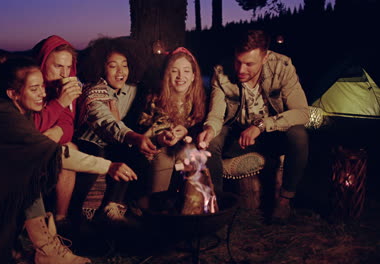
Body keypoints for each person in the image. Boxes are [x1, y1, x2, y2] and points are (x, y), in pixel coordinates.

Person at [0, 56, 137, 264]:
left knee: (24, 166)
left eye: (42, 87)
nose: (43, 94)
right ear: (13, 93)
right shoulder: (2, 115)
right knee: (26, 168)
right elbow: (53, 153)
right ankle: (44, 247)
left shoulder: (6, 106)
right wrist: (108, 166)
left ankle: (31, 246)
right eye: (34, 89)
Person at [197, 29, 309, 222]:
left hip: (273, 134)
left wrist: (262, 125)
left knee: (298, 134)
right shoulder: (221, 72)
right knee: (212, 140)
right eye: (238, 61)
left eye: (249, 64)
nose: (241, 70)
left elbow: (302, 112)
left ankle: (284, 201)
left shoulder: (282, 67)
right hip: (238, 139)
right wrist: (209, 128)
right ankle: (216, 205)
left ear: (264, 58)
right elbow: (216, 114)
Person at [71, 37, 158, 223]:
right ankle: (74, 215)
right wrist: (133, 137)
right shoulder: (92, 90)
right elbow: (105, 121)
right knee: (99, 151)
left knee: (133, 154)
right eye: (113, 66)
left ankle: (114, 206)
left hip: (115, 144)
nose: (120, 72)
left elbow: (156, 104)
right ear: (101, 67)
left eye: (124, 65)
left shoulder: (133, 88)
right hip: (89, 143)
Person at [138, 47, 206, 193]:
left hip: (186, 148)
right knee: (163, 157)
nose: (180, 76)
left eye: (186, 71)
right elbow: (141, 131)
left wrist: (186, 132)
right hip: (158, 148)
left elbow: (201, 126)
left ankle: (190, 207)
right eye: (174, 71)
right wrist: (160, 137)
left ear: (194, 75)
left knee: (189, 155)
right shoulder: (154, 99)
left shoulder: (200, 99)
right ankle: (156, 206)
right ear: (167, 74)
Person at [32, 35, 82, 224]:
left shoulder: (63, 87)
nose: (65, 73)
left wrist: (57, 132)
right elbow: (31, 127)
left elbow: (68, 124)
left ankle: (61, 220)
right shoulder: (31, 86)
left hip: (50, 145)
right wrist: (60, 102)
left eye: (68, 67)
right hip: (22, 149)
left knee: (70, 149)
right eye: (58, 66)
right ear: (43, 63)